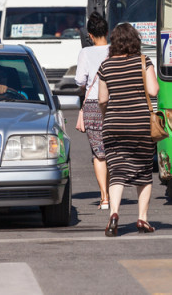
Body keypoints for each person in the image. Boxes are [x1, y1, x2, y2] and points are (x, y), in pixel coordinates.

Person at [98, 22, 159, 237]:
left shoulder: (105, 66)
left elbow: (102, 100)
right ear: (135, 41)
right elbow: (153, 90)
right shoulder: (144, 61)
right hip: (140, 124)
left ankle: (114, 214)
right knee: (143, 171)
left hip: (114, 123)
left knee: (117, 171)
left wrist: (108, 116)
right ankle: (142, 218)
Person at [74, 12, 111, 211]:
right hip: (115, 105)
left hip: (94, 106)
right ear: (107, 31)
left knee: (99, 153)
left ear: (90, 35)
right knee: (113, 150)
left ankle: (104, 198)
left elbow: (80, 80)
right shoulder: (116, 51)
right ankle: (113, 194)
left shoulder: (86, 53)